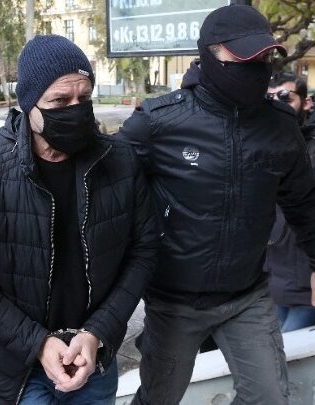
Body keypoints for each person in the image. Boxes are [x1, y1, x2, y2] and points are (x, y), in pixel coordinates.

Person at [0, 35, 157, 404]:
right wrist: (37, 343)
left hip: (94, 359)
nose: (75, 109)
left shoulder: (120, 162)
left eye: (84, 98)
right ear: (28, 103)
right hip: (17, 368)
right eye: (59, 101)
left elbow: (144, 251)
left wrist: (98, 332)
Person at [118, 5, 315, 405]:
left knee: (271, 398)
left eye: (264, 58)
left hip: (247, 295)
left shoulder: (281, 126)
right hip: (174, 300)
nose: (256, 68)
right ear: (209, 55)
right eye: (243, 58)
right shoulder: (157, 122)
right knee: (159, 398)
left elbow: (304, 204)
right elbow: (101, 192)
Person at [264, 72, 315, 332]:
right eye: (269, 97)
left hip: (305, 283)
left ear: (306, 103)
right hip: (269, 281)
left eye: (285, 97)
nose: (276, 103)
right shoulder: (257, 144)